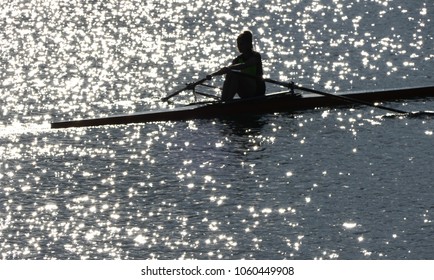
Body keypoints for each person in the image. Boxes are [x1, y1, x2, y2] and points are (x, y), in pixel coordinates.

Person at [210, 30, 266, 101]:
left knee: (235, 76)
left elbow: (245, 65)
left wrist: (229, 68)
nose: (239, 46)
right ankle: (223, 101)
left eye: (241, 44)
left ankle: (227, 103)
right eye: (238, 44)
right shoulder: (238, 59)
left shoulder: (256, 56)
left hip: (257, 90)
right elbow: (226, 70)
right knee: (229, 74)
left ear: (248, 44)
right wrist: (212, 75)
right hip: (246, 90)